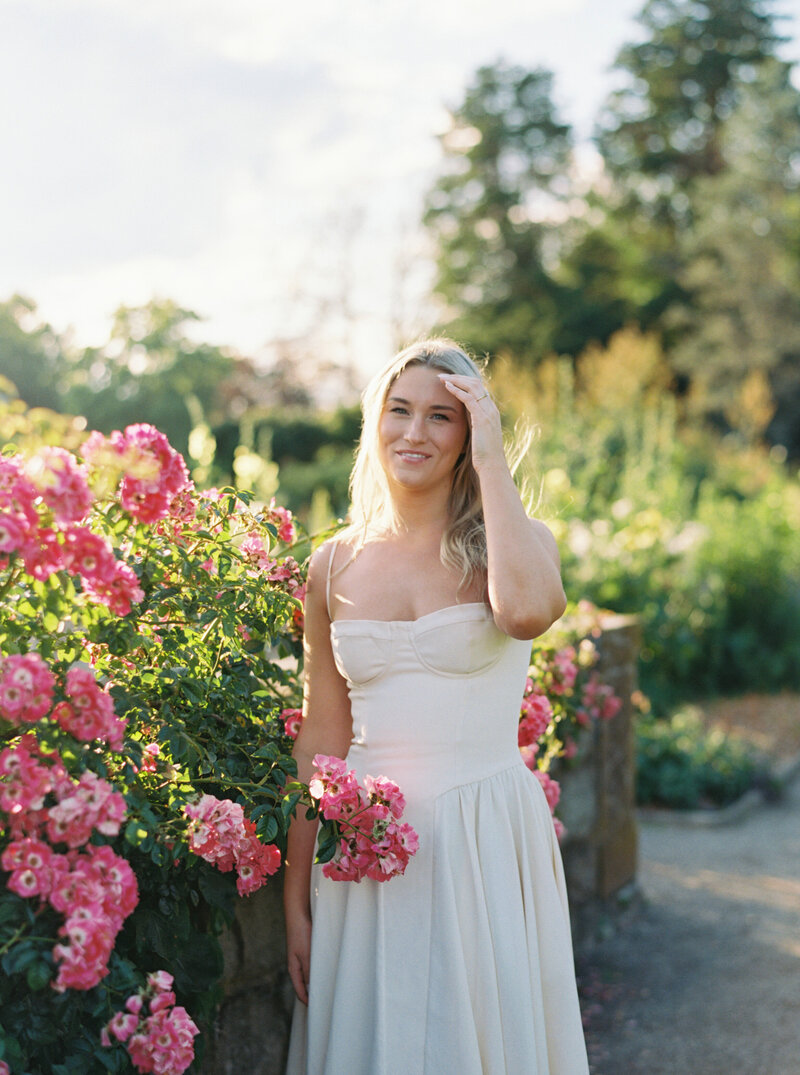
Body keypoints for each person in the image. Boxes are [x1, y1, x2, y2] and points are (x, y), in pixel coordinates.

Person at [283, 339, 590, 1075]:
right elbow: (322, 733)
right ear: (374, 420)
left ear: (468, 433)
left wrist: (492, 460)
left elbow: (526, 612)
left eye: (442, 417)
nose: (414, 433)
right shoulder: (333, 562)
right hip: (362, 858)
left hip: (480, 840)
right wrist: (296, 896)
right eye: (399, 410)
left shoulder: (516, 545)